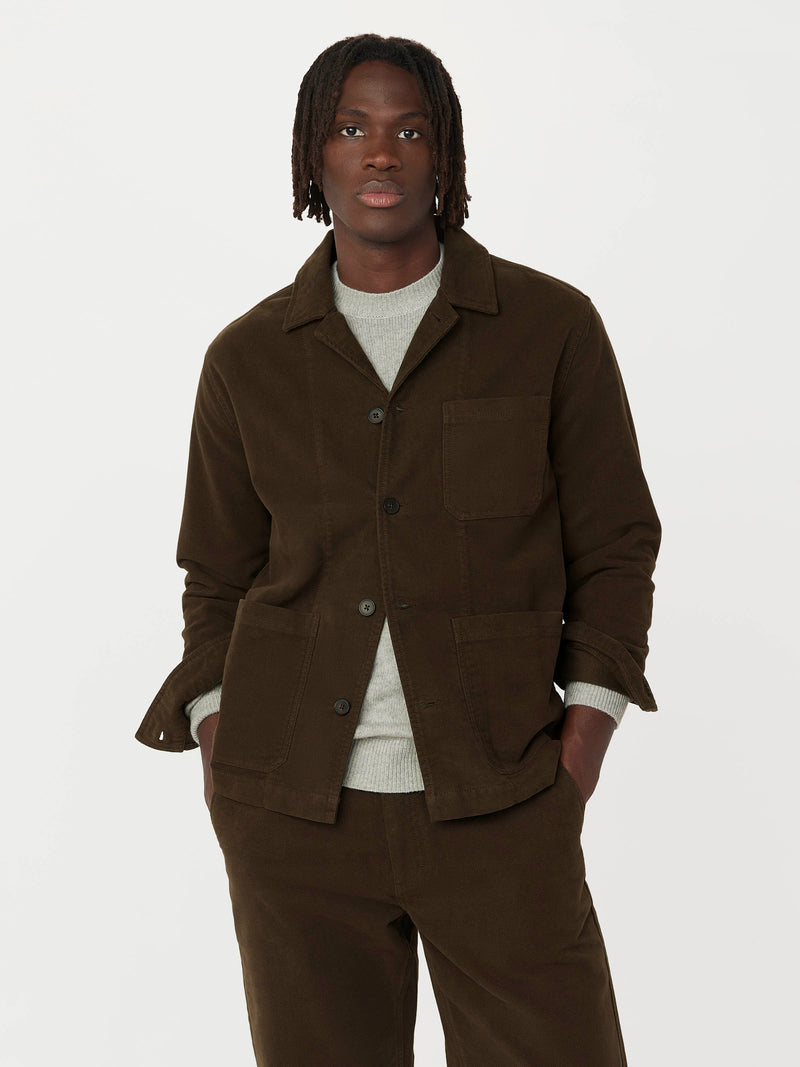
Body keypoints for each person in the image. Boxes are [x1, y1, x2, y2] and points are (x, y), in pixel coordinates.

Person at [136, 32, 661, 1066]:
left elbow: (615, 542)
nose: (381, 152)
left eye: (409, 131)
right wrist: (220, 741)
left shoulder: (548, 328)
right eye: (351, 128)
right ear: (314, 156)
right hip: (293, 814)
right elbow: (217, 574)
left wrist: (578, 751)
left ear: (444, 155)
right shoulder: (248, 358)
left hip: (500, 800)